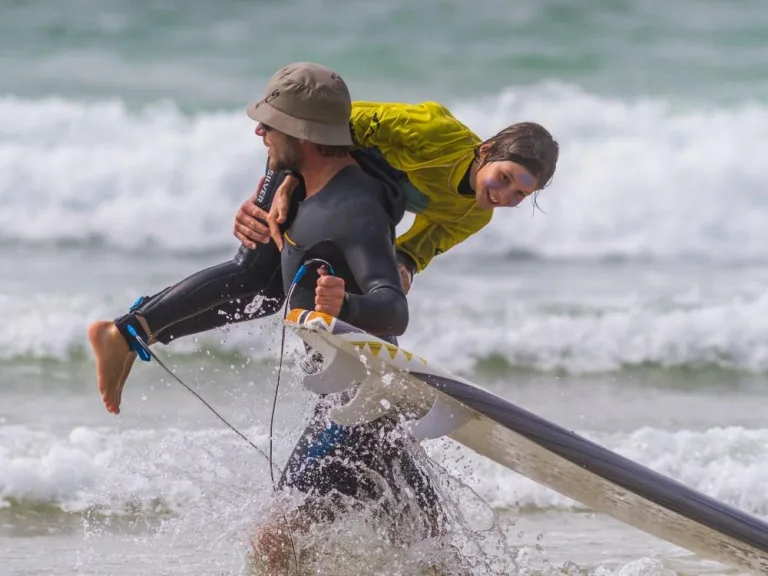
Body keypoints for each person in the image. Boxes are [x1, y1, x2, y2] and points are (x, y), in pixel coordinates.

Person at [88, 62, 445, 572]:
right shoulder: (300, 190)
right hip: (363, 409)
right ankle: (131, 333)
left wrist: (344, 305)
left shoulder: (354, 208)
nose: (259, 131)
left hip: (357, 412)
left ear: (303, 133)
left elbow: (393, 308)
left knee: (274, 542)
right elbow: (254, 284)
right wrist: (141, 328)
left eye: (270, 124)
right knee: (430, 552)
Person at [234, 100, 560, 295]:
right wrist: (289, 179)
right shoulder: (435, 132)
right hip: (303, 154)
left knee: (283, 293)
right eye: (504, 178)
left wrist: (403, 270)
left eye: (520, 194)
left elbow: (414, 250)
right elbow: (329, 122)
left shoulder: (474, 215)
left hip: (352, 207)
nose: (503, 195)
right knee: (251, 274)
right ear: (486, 150)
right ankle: (178, 331)